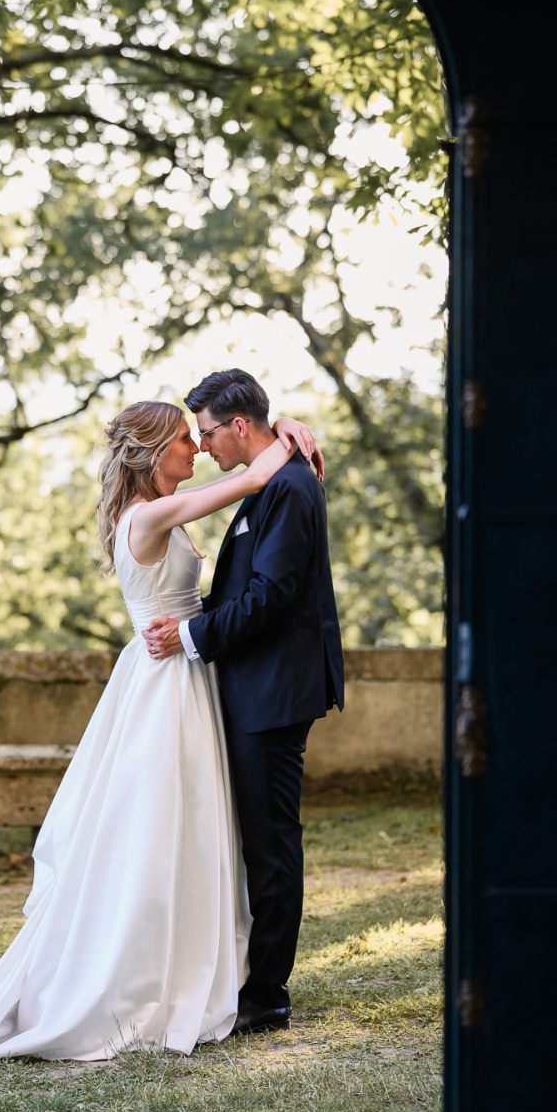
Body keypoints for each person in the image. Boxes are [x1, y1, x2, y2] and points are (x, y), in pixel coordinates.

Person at [0, 397, 318, 1060]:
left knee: (185, 825)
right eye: (183, 441)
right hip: (164, 686)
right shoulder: (148, 514)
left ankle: (188, 961)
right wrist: (293, 432)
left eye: (198, 438)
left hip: (181, 674)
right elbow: (251, 480)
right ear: (150, 452)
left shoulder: (151, 513)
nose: (194, 448)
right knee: (155, 829)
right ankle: (141, 974)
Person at [144, 369, 344, 1037]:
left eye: (207, 433)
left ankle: (266, 995)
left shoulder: (288, 485)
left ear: (239, 425)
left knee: (272, 841)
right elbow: (247, 592)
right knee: (258, 837)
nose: (204, 447)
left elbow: (273, 594)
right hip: (256, 685)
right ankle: (249, 979)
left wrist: (192, 633)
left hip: (275, 691)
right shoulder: (274, 480)